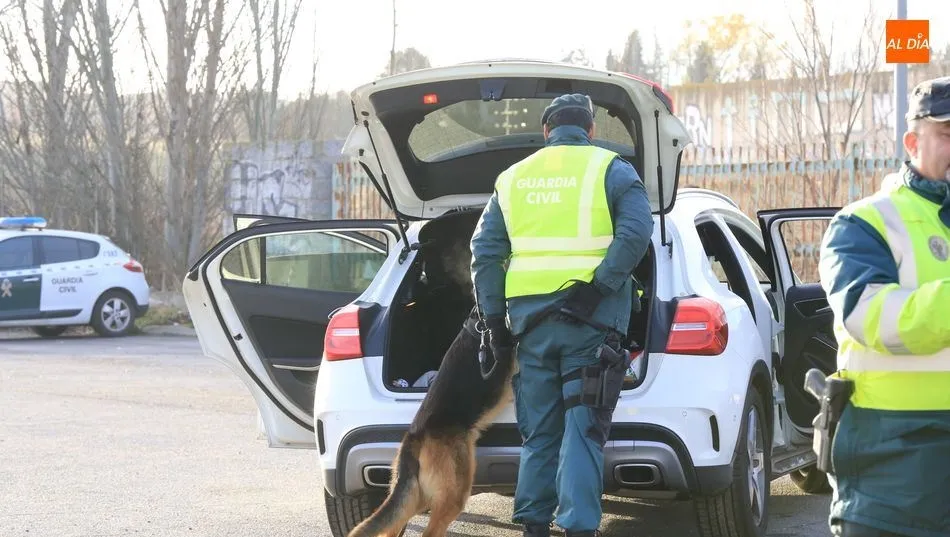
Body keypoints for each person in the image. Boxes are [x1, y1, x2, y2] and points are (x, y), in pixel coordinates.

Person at [470, 93, 653, 537]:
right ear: (590, 130)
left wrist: (495, 325)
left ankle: (533, 525)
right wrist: (598, 288)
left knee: (540, 432)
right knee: (582, 427)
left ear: (546, 131)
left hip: (530, 329)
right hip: (590, 326)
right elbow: (636, 233)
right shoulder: (610, 168)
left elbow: (484, 252)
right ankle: (577, 528)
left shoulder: (513, 178)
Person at [817, 75, 950, 537]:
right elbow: (873, 318)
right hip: (894, 475)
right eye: (948, 134)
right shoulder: (865, 223)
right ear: (913, 142)